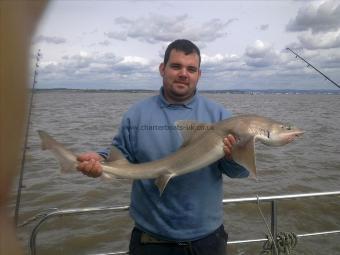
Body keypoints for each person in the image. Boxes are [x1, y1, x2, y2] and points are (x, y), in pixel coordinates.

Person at [77, 39, 249, 255]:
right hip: (150, 241)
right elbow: (119, 154)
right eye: (176, 66)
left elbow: (239, 173)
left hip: (207, 241)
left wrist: (233, 157)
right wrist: (99, 161)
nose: (183, 74)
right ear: (162, 69)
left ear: (199, 75)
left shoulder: (220, 116)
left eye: (191, 69)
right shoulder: (137, 114)